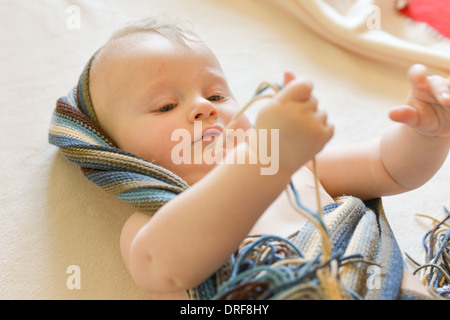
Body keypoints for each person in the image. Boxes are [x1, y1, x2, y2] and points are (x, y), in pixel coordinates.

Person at [78, 18, 450, 299]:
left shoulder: (291, 166)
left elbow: (388, 167)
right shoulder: (153, 221)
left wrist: (427, 134)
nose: (203, 108)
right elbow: (166, 267)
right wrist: (264, 158)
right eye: (166, 105)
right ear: (118, 155)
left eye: (217, 95)